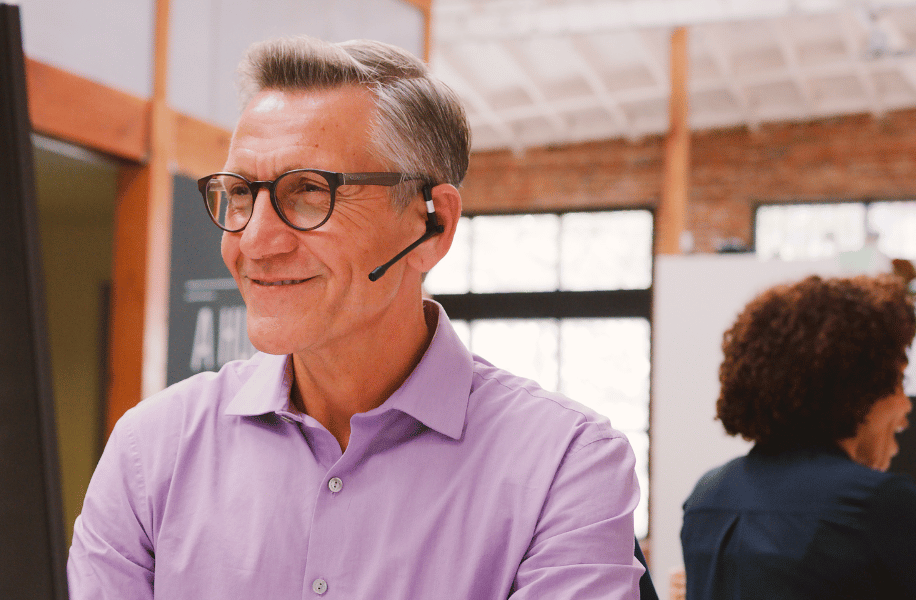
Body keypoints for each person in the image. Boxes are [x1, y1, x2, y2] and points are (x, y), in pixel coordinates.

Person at [68, 36, 646, 599]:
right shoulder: (150, 452)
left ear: (431, 226)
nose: (256, 241)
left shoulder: (566, 465)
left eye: (309, 193)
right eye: (241, 194)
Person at [681, 274, 916, 600]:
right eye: (898, 381)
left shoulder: (707, 495)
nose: (905, 404)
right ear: (857, 385)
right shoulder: (878, 504)